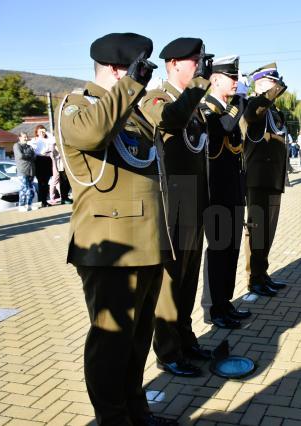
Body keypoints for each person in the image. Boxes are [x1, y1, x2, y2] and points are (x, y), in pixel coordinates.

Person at [56, 32, 176, 425]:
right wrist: (130, 85)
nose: (140, 77)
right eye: (134, 68)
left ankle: (136, 412)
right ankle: (113, 419)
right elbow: (92, 133)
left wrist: (195, 86)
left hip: (147, 241)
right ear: (114, 69)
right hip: (110, 248)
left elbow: (172, 121)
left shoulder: (133, 110)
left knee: (138, 341)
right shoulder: (77, 107)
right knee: (110, 343)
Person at [140, 37, 214, 377]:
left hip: (195, 200)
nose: (199, 68)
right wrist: (200, 85)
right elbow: (170, 121)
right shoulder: (158, 98)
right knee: (170, 282)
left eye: (200, 62)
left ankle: (185, 338)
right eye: (193, 63)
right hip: (173, 201)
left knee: (188, 278)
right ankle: (167, 351)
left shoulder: (193, 103)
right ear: (173, 64)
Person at [198, 55, 251, 329]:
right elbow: (224, 128)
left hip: (232, 191)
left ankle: (225, 302)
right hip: (215, 192)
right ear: (215, 79)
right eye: (232, 78)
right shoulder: (207, 108)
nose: (236, 82)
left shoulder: (228, 108)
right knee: (218, 250)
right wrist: (241, 99)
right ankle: (212, 308)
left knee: (231, 250)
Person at [242, 62, 289, 297]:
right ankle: (254, 279)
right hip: (257, 180)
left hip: (273, 179)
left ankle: (263, 273)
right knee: (257, 231)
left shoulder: (275, 112)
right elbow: (252, 114)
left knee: (268, 231)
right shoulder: (253, 106)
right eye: (273, 82)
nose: (277, 87)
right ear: (260, 84)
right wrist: (267, 94)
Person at [29, 125, 54, 208]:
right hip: (39, 160)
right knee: (41, 182)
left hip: (47, 159)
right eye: (40, 131)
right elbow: (31, 147)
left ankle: (45, 200)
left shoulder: (48, 139)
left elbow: (53, 140)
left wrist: (46, 132)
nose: (42, 133)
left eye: (43, 131)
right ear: (37, 132)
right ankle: (42, 201)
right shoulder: (34, 140)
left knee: (46, 182)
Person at [13, 132, 36, 212]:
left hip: (31, 170)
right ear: (19, 138)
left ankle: (29, 204)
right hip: (22, 170)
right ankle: (21, 205)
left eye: (26, 137)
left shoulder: (29, 146)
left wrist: (28, 155)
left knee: (31, 188)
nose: (26, 138)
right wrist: (29, 155)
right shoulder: (17, 146)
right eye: (24, 137)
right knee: (24, 188)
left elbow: (34, 156)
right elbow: (20, 156)